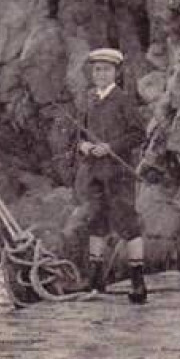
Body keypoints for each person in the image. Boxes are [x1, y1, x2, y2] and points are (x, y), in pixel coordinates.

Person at [72, 48, 149, 303]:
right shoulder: (89, 99)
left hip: (119, 173)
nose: (101, 74)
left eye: (106, 69)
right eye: (97, 70)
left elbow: (139, 133)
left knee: (128, 222)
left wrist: (111, 147)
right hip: (94, 172)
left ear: (115, 72)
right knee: (96, 222)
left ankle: (138, 283)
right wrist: (83, 146)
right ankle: (96, 281)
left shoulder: (123, 99)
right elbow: (80, 135)